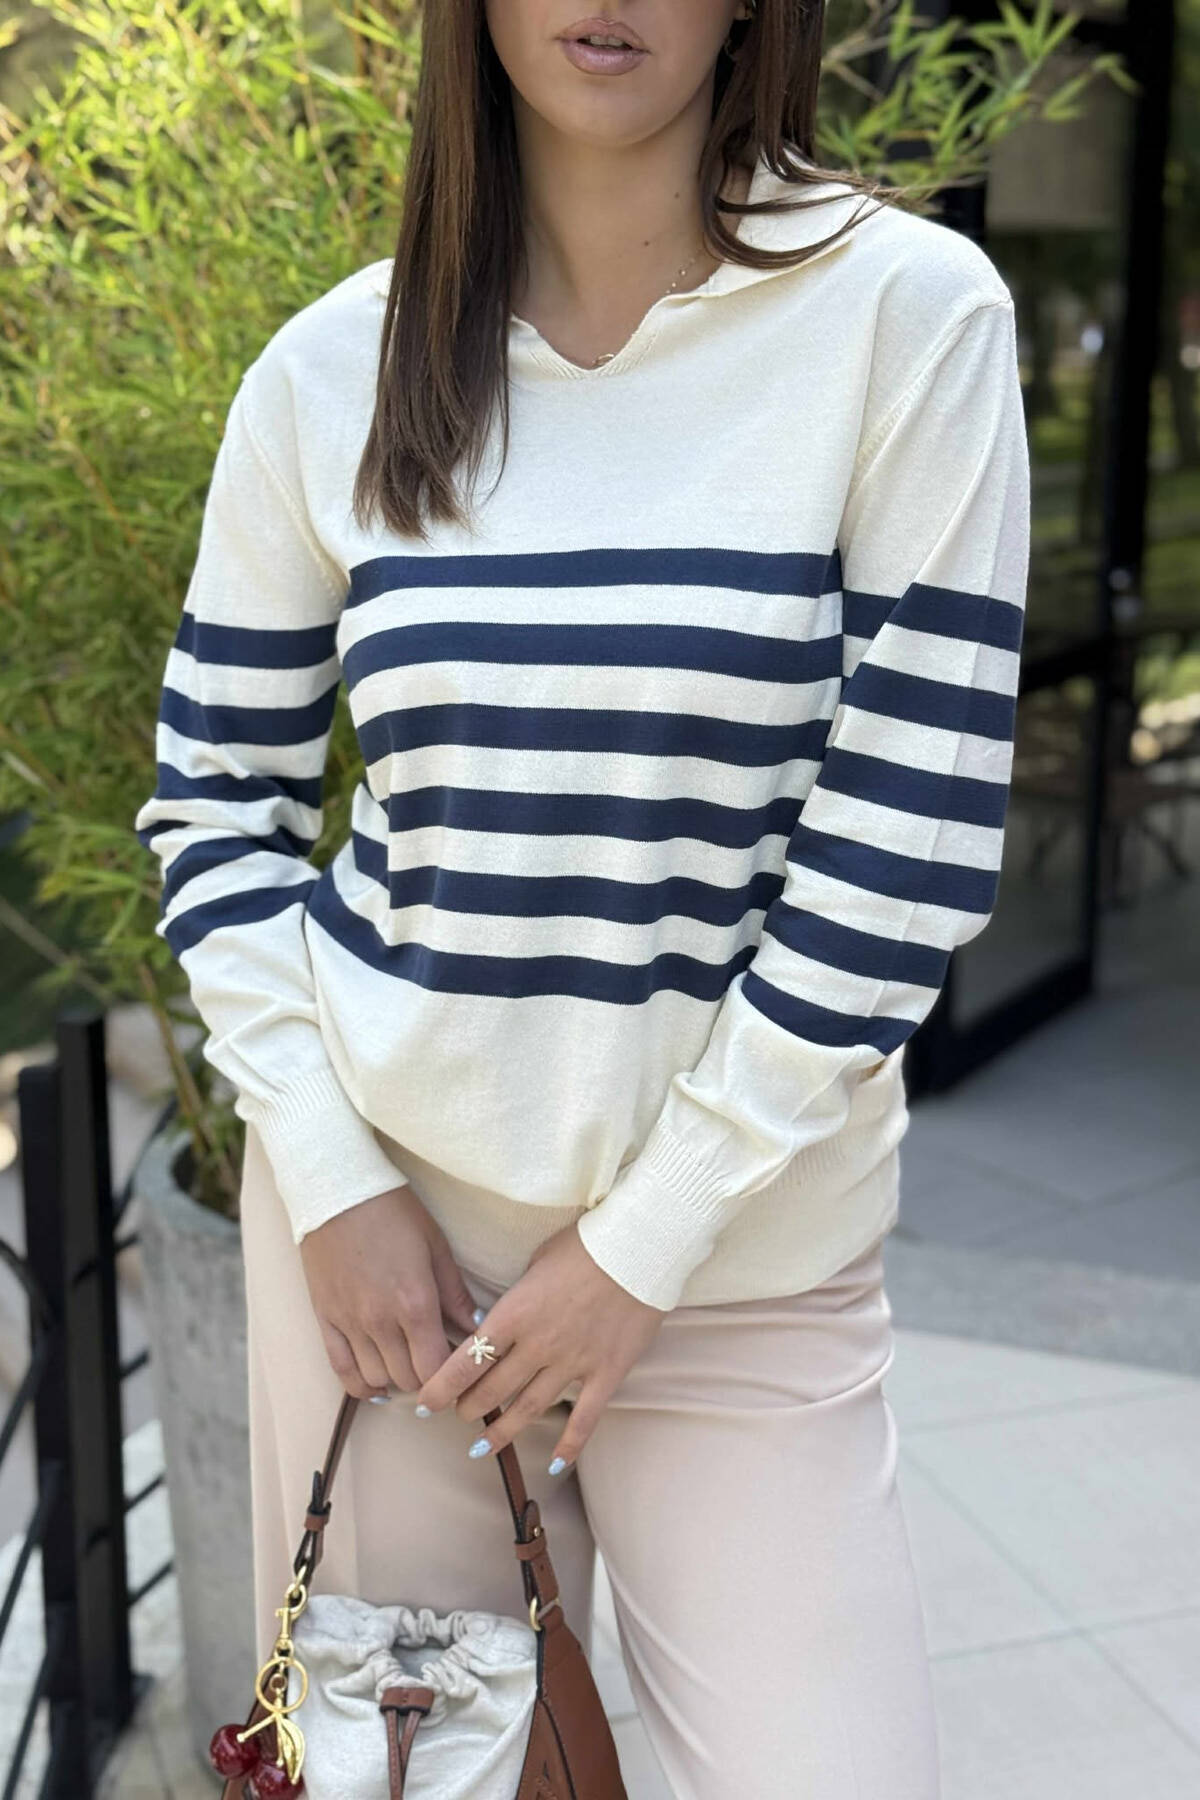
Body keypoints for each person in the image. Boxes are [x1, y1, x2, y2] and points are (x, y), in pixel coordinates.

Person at [134, 2, 1030, 1793]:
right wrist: (327, 1169)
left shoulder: (903, 316)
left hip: (739, 1268)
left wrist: (641, 1246)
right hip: (392, 1280)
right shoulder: (332, 368)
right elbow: (215, 801)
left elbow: (905, 840)